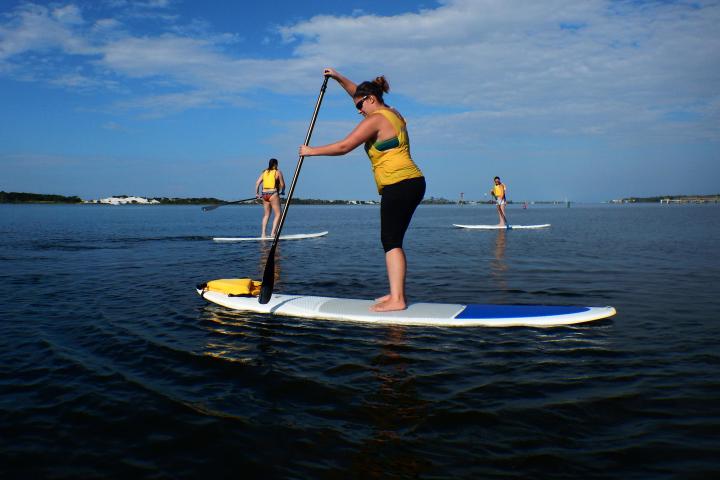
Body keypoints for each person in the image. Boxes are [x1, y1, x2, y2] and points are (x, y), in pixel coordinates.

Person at [299, 68, 425, 312]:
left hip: (399, 183)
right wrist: (336, 77)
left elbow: (345, 146)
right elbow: (357, 93)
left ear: (371, 99)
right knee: (392, 240)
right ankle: (396, 293)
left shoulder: (375, 119)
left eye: (360, 105)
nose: (358, 111)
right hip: (411, 182)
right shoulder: (392, 112)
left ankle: (398, 299)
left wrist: (310, 151)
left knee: (391, 241)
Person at [254, 158, 285, 238]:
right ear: (275, 164)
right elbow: (282, 184)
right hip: (273, 194)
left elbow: (257, 183)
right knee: (278, 214)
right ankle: (273, 233)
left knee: (266, 214)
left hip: (264, 194)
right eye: (277, 164)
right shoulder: (278, 172)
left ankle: (263, 234)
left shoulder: (264, 172)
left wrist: (257, 194)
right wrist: (283, 191)